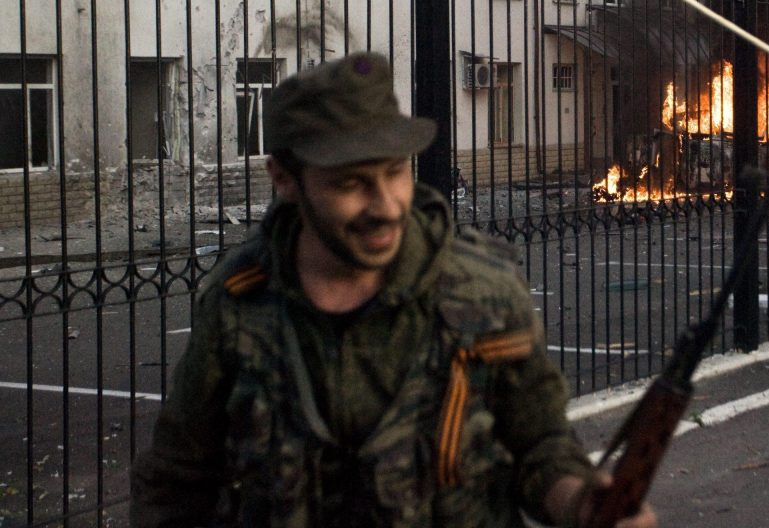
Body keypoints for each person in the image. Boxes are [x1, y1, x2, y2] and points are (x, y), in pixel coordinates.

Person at [132, 52, 654, 528]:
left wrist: (581, 504)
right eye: (351, 183)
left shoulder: (482, 289)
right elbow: (177, 478)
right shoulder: (238, 303)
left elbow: (540, 447)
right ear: (284, 179)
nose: (385, 206)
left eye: (396, 172)